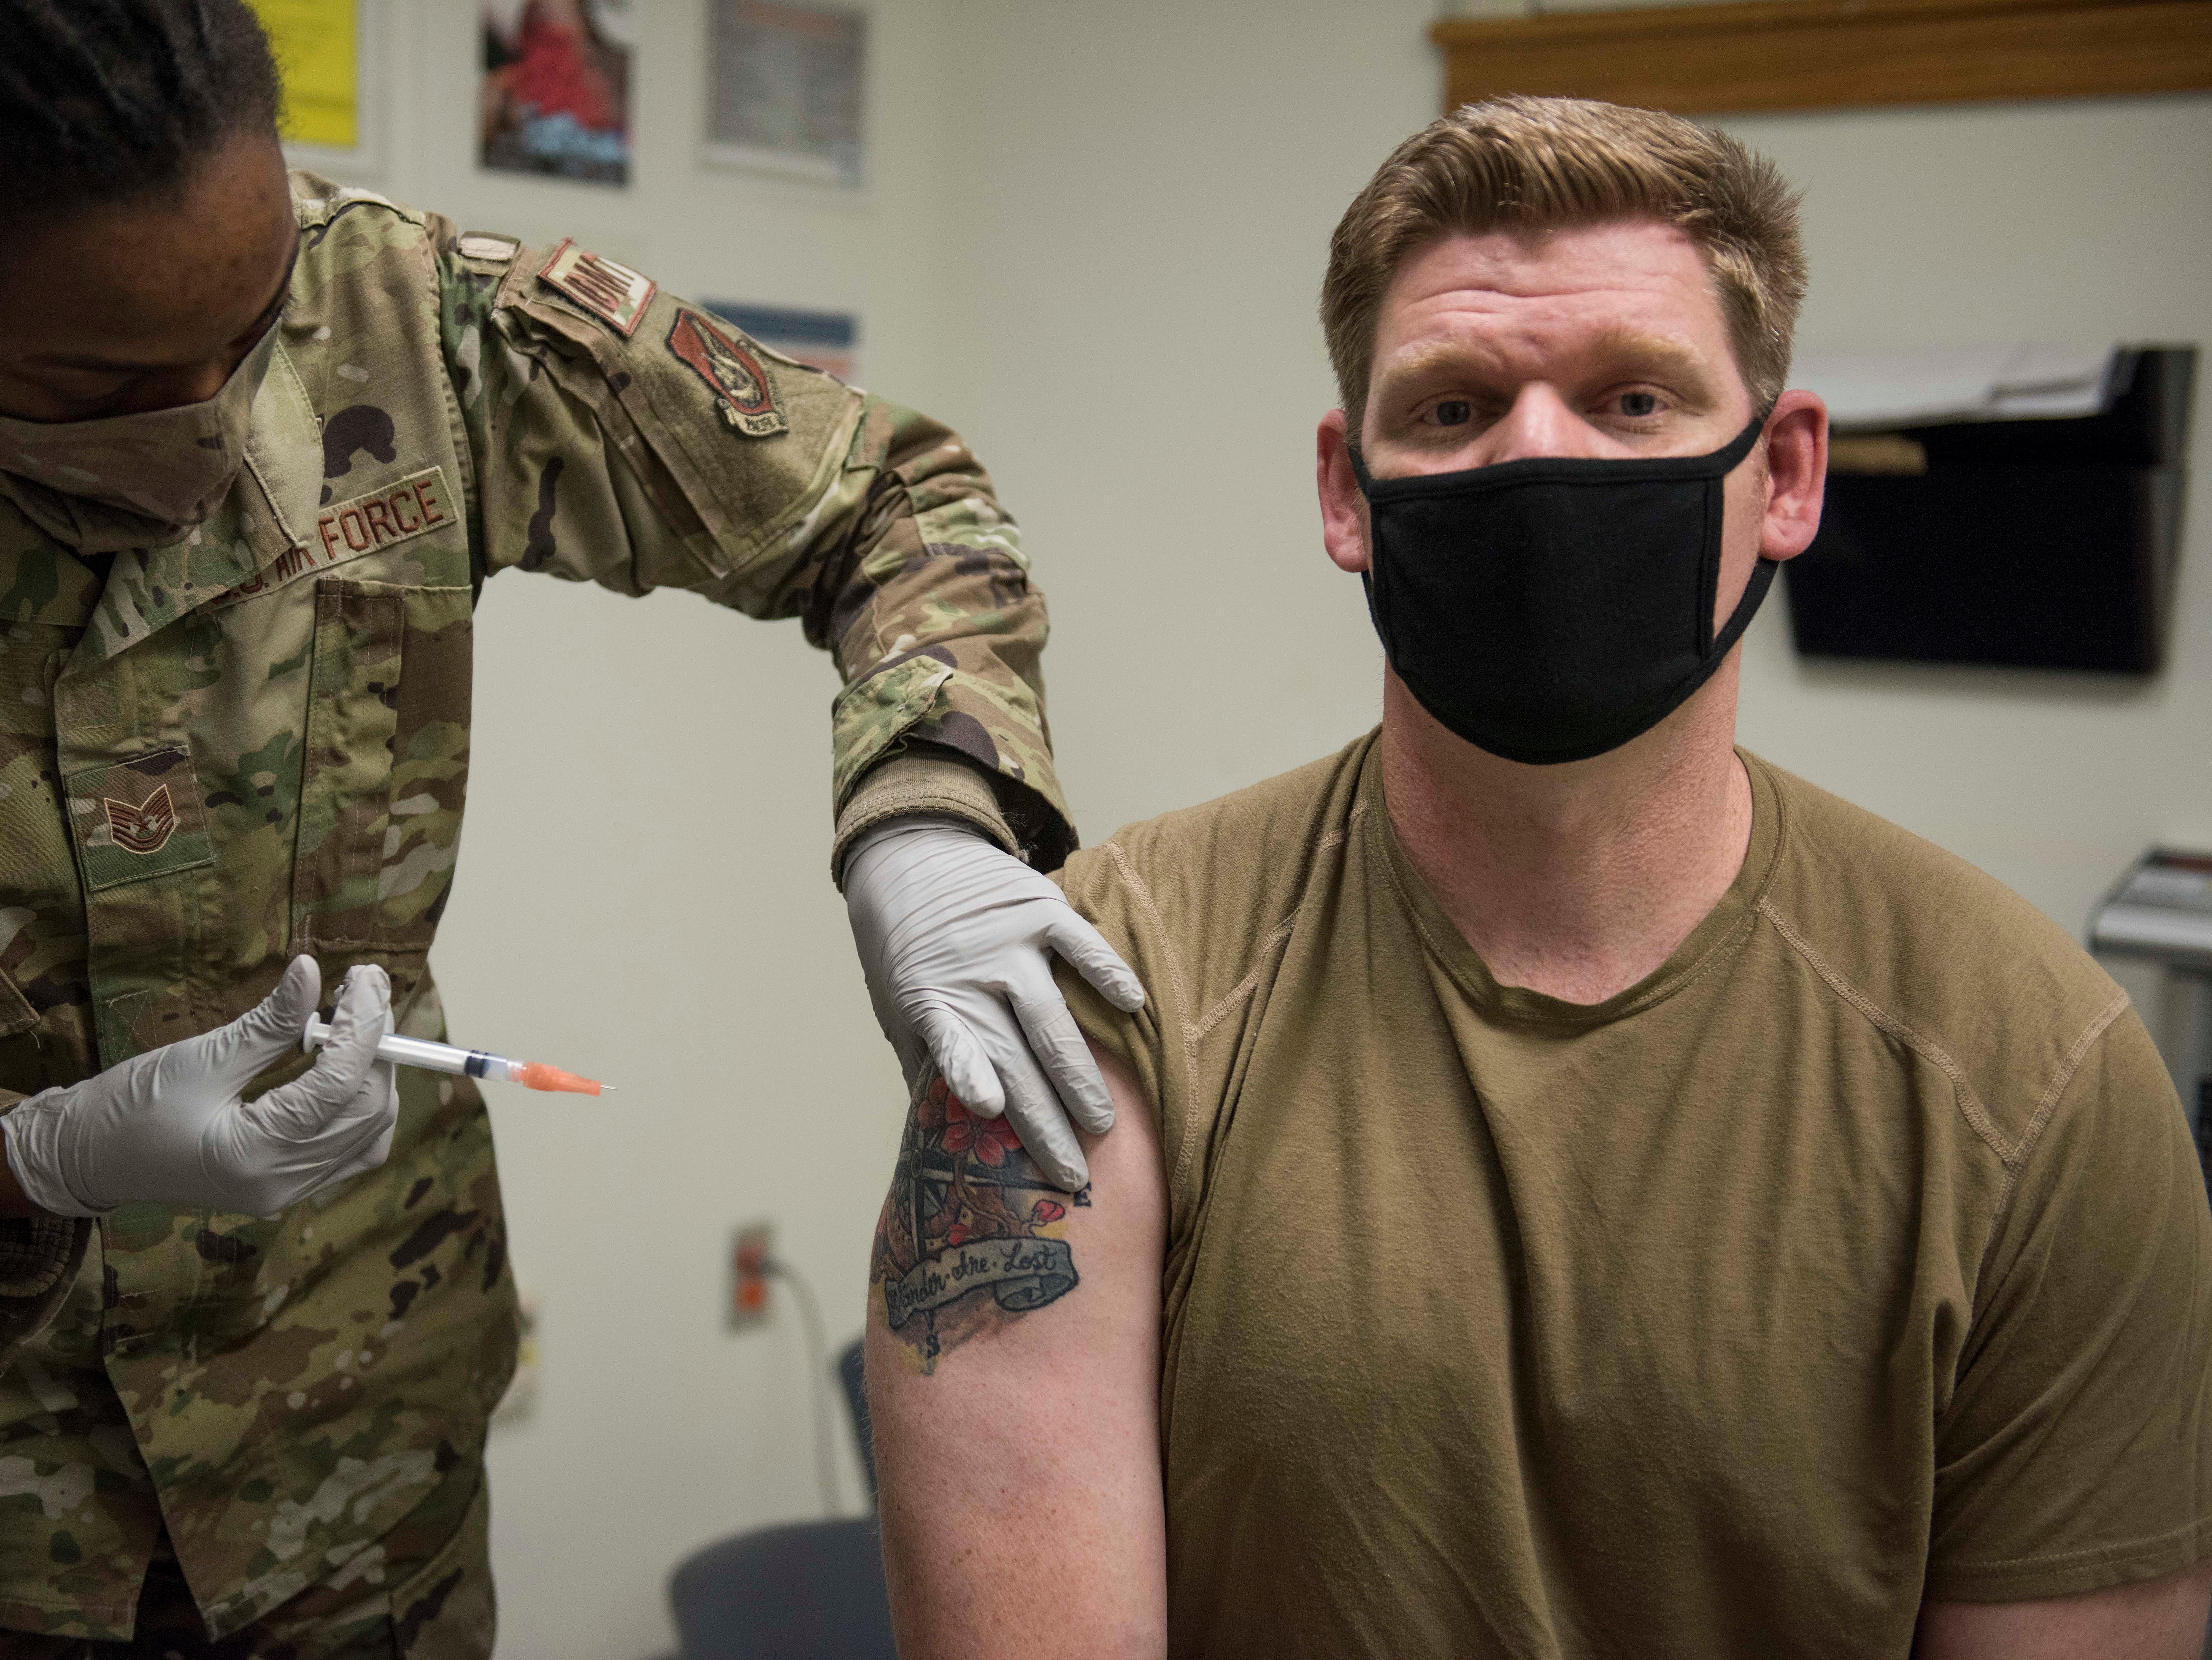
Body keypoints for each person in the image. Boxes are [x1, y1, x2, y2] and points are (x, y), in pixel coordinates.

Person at [866, 95, 2212, 1658]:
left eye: (1632, 400)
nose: (1534, 457)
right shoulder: (1099, 985)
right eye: (1449, 408)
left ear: (1781, 474)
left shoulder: (2032, 1076)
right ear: (1344, 494)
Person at [0, 1, 1140, 1652]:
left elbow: (893, 501)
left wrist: (929, 814)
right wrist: (33, 1166)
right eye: (101, 387)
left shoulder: (405, 324)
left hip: (359, 1491)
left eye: (245, 341)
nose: (207, 431)